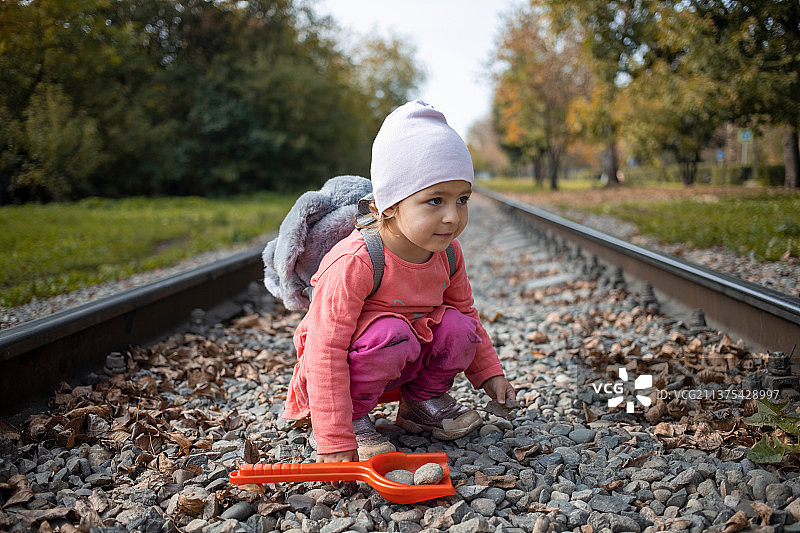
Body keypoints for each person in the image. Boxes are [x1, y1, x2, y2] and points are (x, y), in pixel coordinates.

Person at [281, 99, 516, 464]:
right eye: (435, 200)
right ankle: (355, 420)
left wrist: (489, 374)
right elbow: (324, 350)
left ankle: (422, 402)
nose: (452, 217)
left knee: (459, 325)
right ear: (388, 205)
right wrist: (333, 437)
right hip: (352, 366)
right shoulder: (356, 261)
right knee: (392, 332)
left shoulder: (448, 254)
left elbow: (467, 312)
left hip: (403, 358)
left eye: (462, 199)